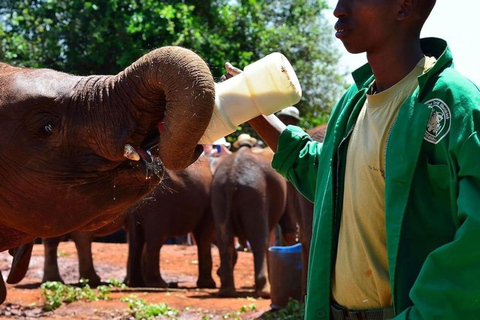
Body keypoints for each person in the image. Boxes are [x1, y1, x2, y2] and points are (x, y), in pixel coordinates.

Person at [224, 0, 480, 319]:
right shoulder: (353, 102)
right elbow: (328, 178)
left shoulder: (456, 104)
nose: (338, 10)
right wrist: (248, 104)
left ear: (404, 7)